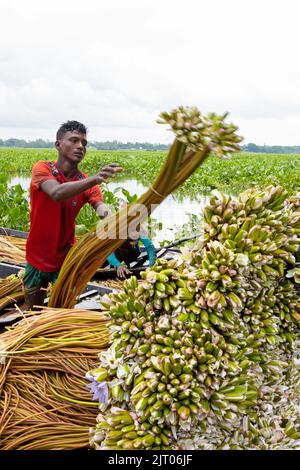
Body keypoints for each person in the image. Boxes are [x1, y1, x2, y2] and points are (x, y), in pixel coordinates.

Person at [23, 120, 122, 309]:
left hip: (67, 258)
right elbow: (57, 193)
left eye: (84, 143)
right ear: (58, 145)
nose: (80, 147)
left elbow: (102, 209)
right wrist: (96, 178)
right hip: (37, 255)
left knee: (63, 311)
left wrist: (120, 220)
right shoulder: (43, 168)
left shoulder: (85, 182)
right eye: (74, 141)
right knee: (32, 311)